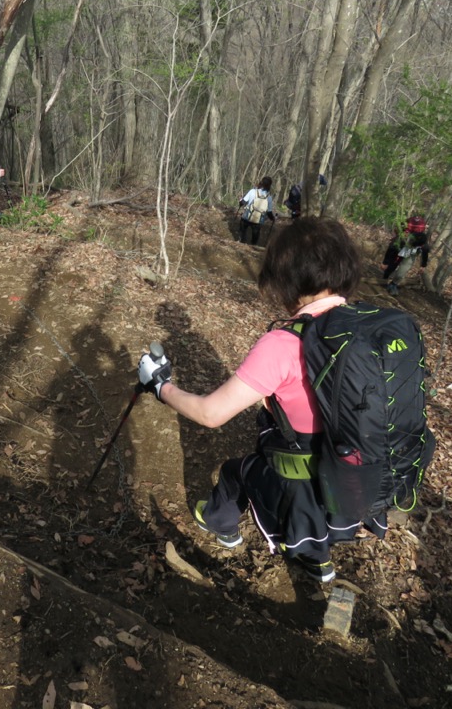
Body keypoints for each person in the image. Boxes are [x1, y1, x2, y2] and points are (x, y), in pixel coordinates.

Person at [137, 217, 376, 584]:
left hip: (305, 472)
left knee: (238, 472)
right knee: (307, 502)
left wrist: (160, 387)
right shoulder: (369, 329)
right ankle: (318, 562)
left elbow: (210, 414)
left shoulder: (285, 344)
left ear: (287, 278)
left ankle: (222, 526)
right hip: (359, 472)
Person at [382, 215, 430, 295]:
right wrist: (385, 262)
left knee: (403, 270)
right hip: (400, 249)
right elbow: (391, 248)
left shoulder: (423, 243)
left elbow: (425, 253)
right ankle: (385, 278)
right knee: (392, 266)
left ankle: (394, 284)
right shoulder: (402, 239)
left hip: (411, 253)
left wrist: (423, 265)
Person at [238, 176, 275, 245]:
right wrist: (273, 218)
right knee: (255, 235)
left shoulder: (252, 191)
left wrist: (240, 201)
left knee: (242, 230)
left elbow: (243, 202)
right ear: (270, 185)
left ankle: (241, 242)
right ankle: (253, 246)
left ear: (261, 183)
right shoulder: (269, 198)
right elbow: (269, 212)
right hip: (258, 220)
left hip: (246, 217)